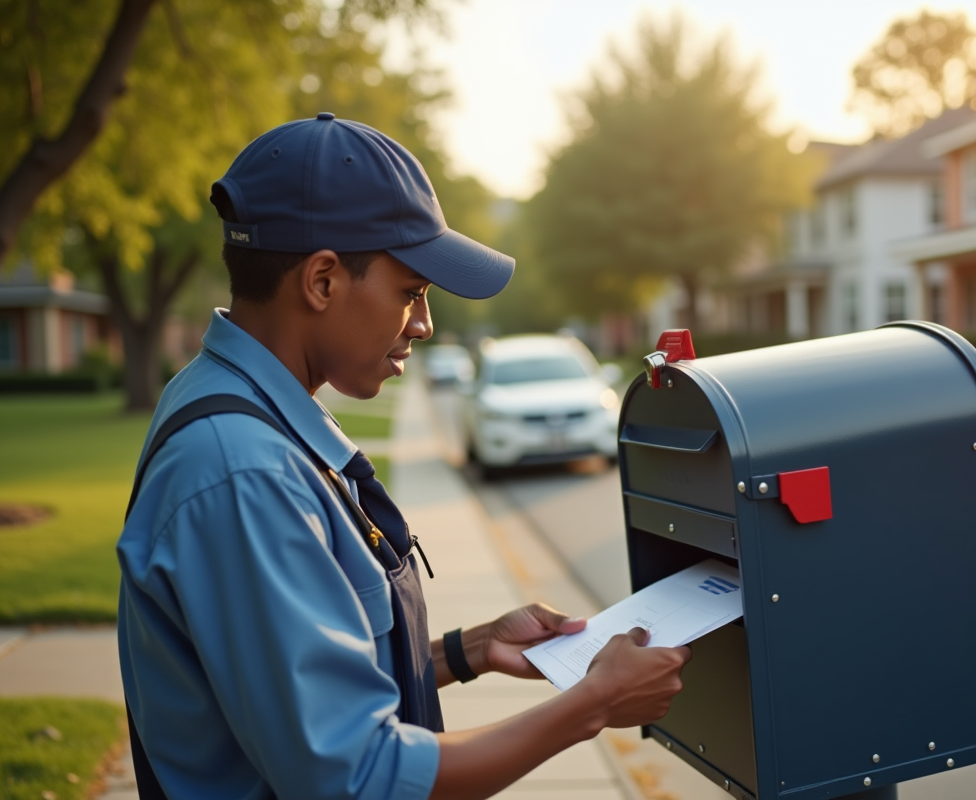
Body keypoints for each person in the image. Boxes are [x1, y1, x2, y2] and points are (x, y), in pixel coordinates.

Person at [117, 113, 691, 800]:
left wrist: (467, 651)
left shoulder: (236, 405)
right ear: (323, 280)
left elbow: (291, 684)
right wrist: (592, 705)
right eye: (411, 293)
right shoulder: (246, 473)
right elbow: (359, 777)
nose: (423, 324)